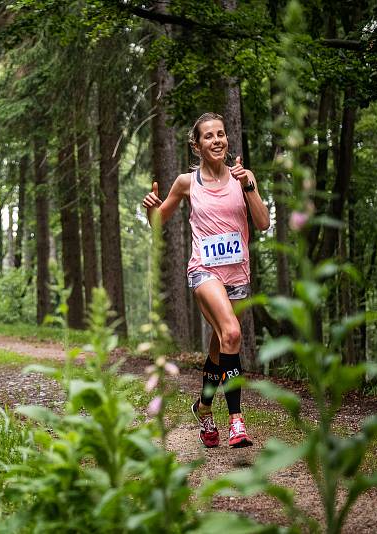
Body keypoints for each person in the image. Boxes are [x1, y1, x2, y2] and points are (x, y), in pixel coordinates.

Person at [142, 112, 270, 448]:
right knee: (231, 332)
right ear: (197, 145)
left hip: (237, 274)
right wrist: (149, 208)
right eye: (208, 136)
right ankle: (236, 421)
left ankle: (204, 407)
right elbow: (158, 221)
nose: (217, 140)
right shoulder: (187, 182)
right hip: (205, 271)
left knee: (221, 346)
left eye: (221, 134)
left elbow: (263, 223)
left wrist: (249, 186)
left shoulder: (242, 178)